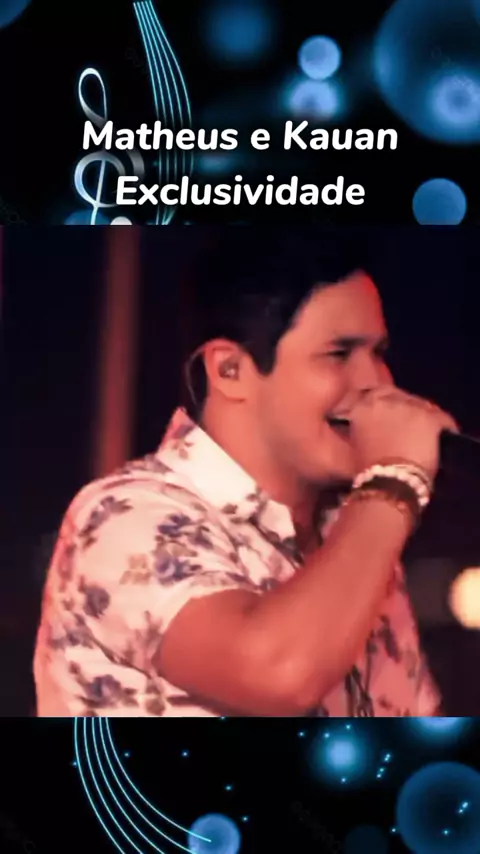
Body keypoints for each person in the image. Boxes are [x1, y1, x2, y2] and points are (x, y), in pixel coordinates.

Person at [33, 228, 457, 717]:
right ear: (230, 370)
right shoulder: (122, 517)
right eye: (339, 354)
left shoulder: (353, 534)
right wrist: (394, 479)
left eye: (378, 353)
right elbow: (279, 672)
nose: (376, 383)